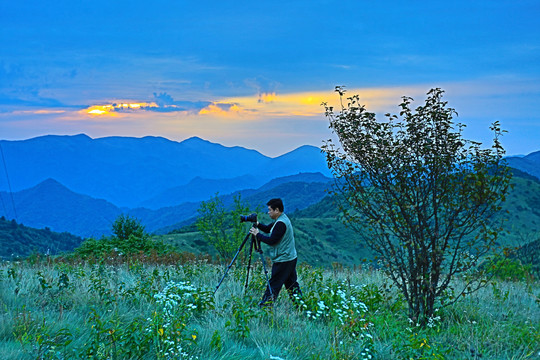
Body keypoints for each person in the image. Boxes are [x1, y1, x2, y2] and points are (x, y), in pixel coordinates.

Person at [249, 198, 302, 307]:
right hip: (290, 258)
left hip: (283, 259)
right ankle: (301, 305)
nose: (268, 212)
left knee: (274, 284)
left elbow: (272, 240)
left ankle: (265, 307)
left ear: (276, 210)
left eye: (270, 210)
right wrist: (257, 224)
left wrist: (257, 234)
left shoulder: (280, 223)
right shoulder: (281, 219)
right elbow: (268, 229)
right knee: (291, 285)